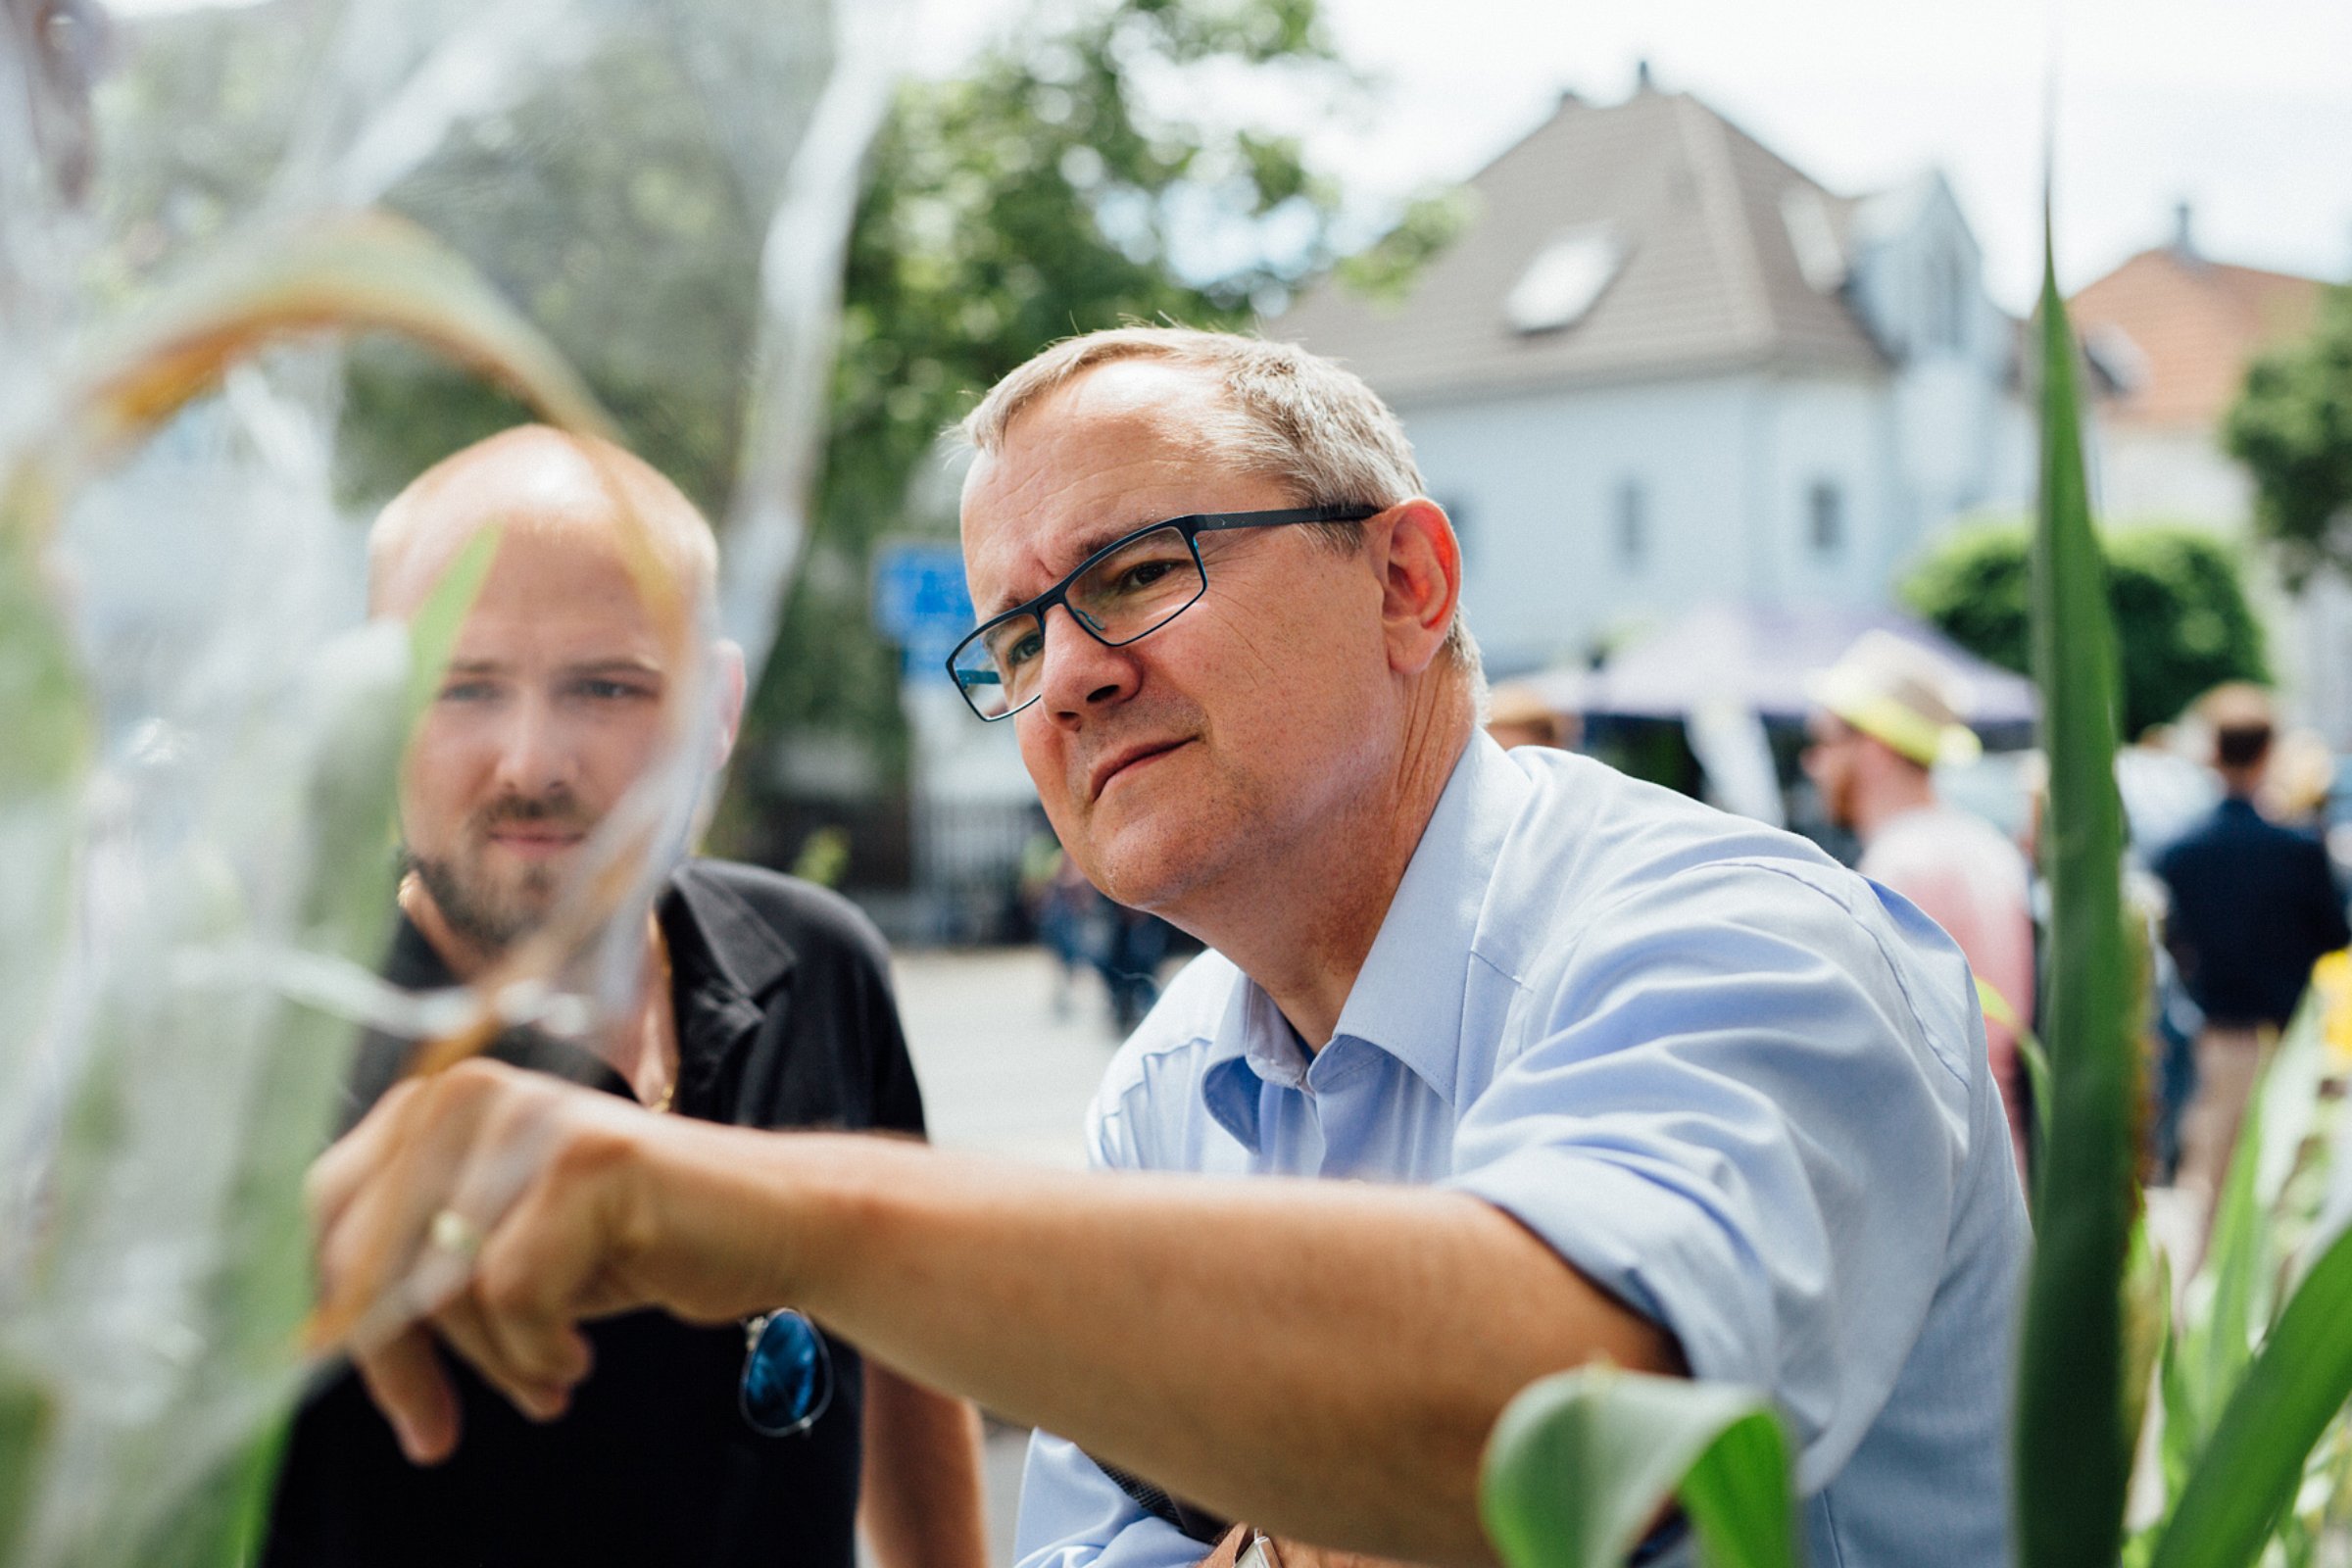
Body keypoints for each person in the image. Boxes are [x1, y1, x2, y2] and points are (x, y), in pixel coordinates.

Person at [307, 330, 2029, 1567]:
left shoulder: (1737, 938)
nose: (1064, 675)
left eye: (1136, 573)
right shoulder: (1176, 1083)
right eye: (1012, 633)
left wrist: (748, 1208)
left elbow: (1547, 1451)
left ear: (1408, 585)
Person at [265, 428, 987, 1568]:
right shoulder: (258, 1064)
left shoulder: (819, 958)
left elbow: (909, 1344)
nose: (529, 763)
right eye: (463, 687)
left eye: (606, 687)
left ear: (720, 708)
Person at [1802, 630, 2035, 1178]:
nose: (1814, 763)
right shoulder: (1986, 846)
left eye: (1825, 740)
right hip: (1996, 1175)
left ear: (1876, 749)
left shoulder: (1897, 868)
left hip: (1931, 1182)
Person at [2155, 683, 2350, 1204]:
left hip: (2220, 1039)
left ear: (2214, 753)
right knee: (2287, 1194)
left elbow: (2176, 943)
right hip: (2289, 1039)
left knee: (2212, 1192)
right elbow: (2336, 935)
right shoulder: (2299, 848)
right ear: (2268, 752)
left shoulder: (2181, 853)